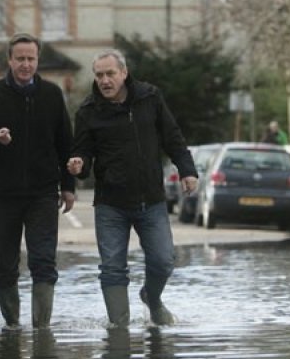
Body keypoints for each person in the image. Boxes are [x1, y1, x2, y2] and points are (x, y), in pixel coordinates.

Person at [67, 49, 197, 326]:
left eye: (110, 74)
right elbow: (82, 154)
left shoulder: (149, 98)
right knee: (112, 267)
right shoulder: (88, 111)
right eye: (99, 75)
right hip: (110, 204)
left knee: (163, 261)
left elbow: (172, 137)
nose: (104, 80)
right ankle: (119, 328)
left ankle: (152, 298)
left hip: (150, 199)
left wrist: (187, 170)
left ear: (123, 73)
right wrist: (79, 165)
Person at [0, 33, 75, 329]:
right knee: (4, 264)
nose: (26, 64)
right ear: (10, 60)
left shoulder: (52, 95)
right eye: (20, 59)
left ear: (37, 60)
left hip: (42, 193)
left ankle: (42, 329)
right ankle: (13, 325)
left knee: (43, 262)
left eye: (31, 59)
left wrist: (68, 186)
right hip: (2, 195)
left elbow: (65, 143)